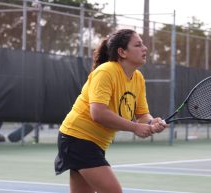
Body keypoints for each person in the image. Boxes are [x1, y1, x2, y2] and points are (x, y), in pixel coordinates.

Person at [54, 29, 168, 193]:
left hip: (94, 143)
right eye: (138, 45)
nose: (145, 49)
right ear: (122, 52)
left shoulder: (138, 78)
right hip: (77, 137)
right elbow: (98, 113)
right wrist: (135, 127)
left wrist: (152, 123)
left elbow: (142, 114)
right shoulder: (106, 71)